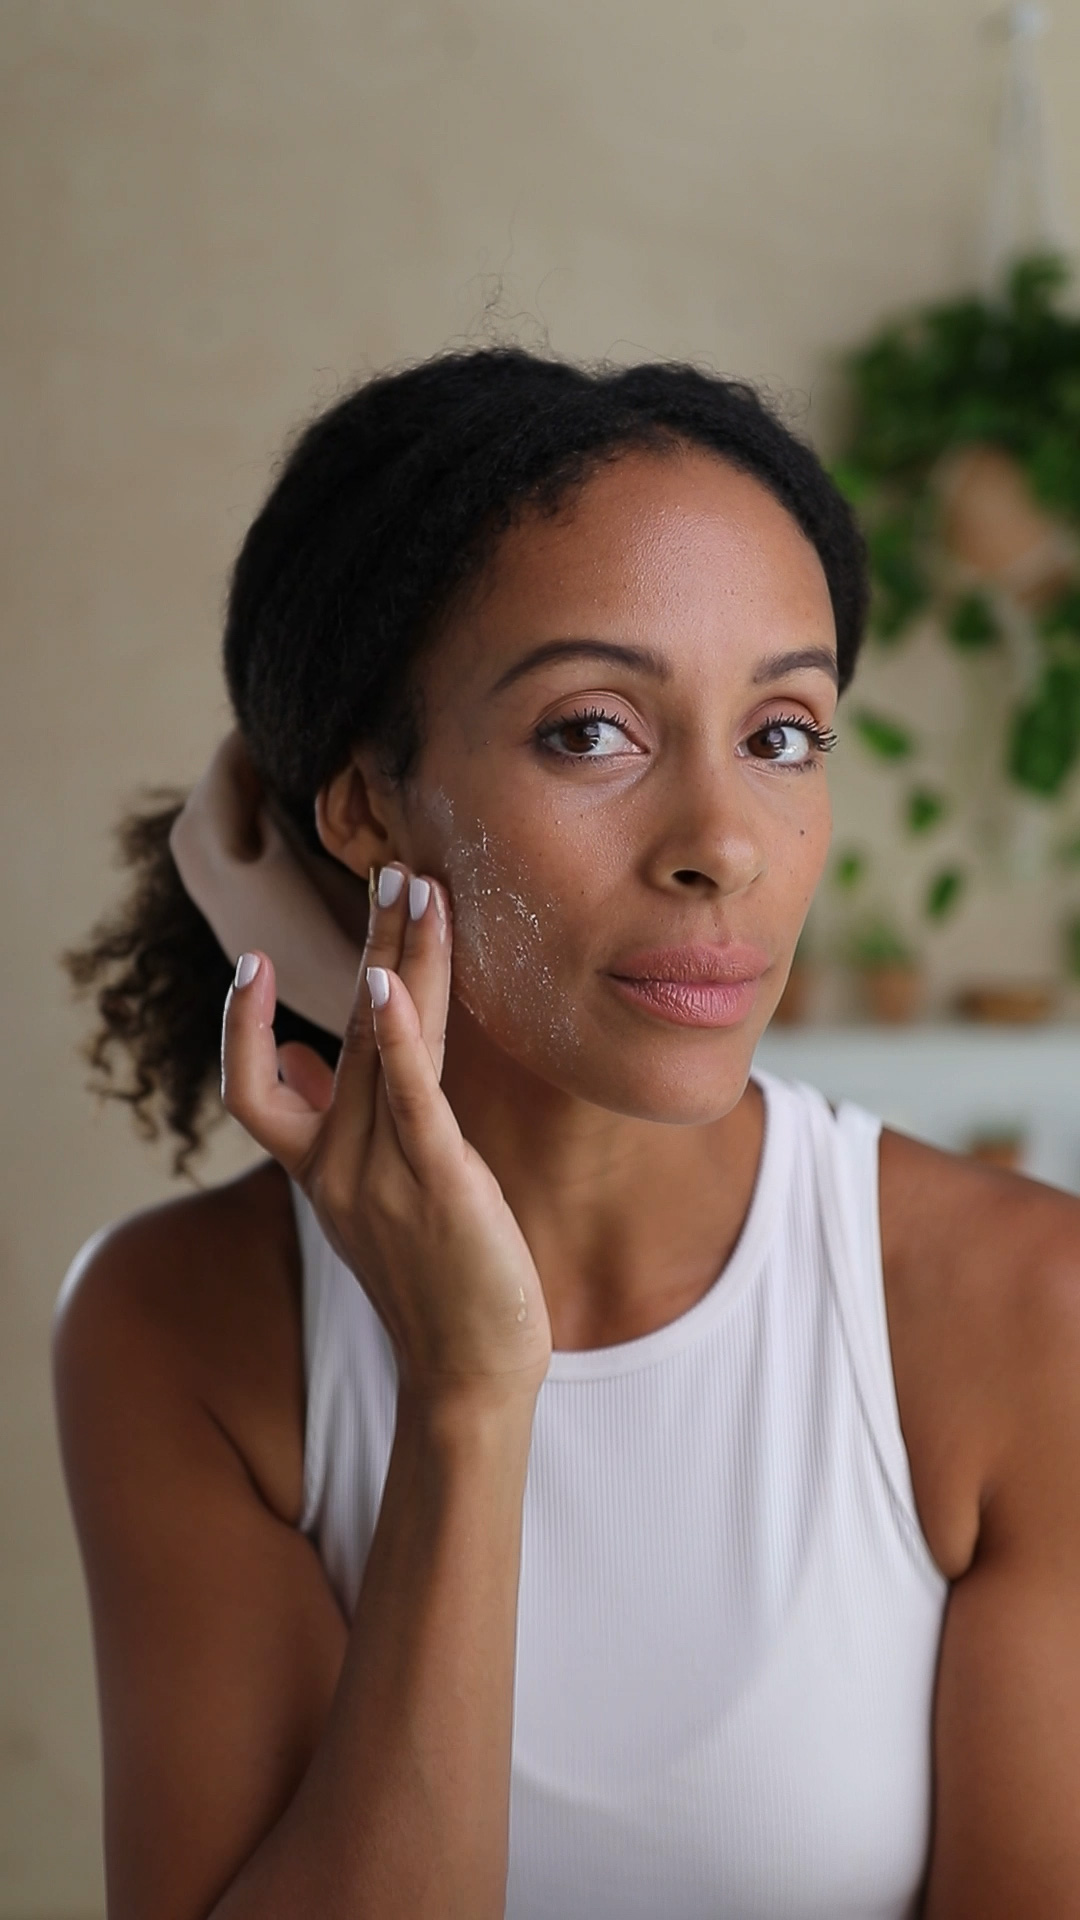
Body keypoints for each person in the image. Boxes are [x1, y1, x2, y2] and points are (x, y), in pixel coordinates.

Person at [52, 349, 1080, 1920]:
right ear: (365, 806)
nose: (725, 845)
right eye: (592, 731)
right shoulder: (182, 1334)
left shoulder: (1024, 1314)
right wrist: (467, 1394)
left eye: (784, 732)